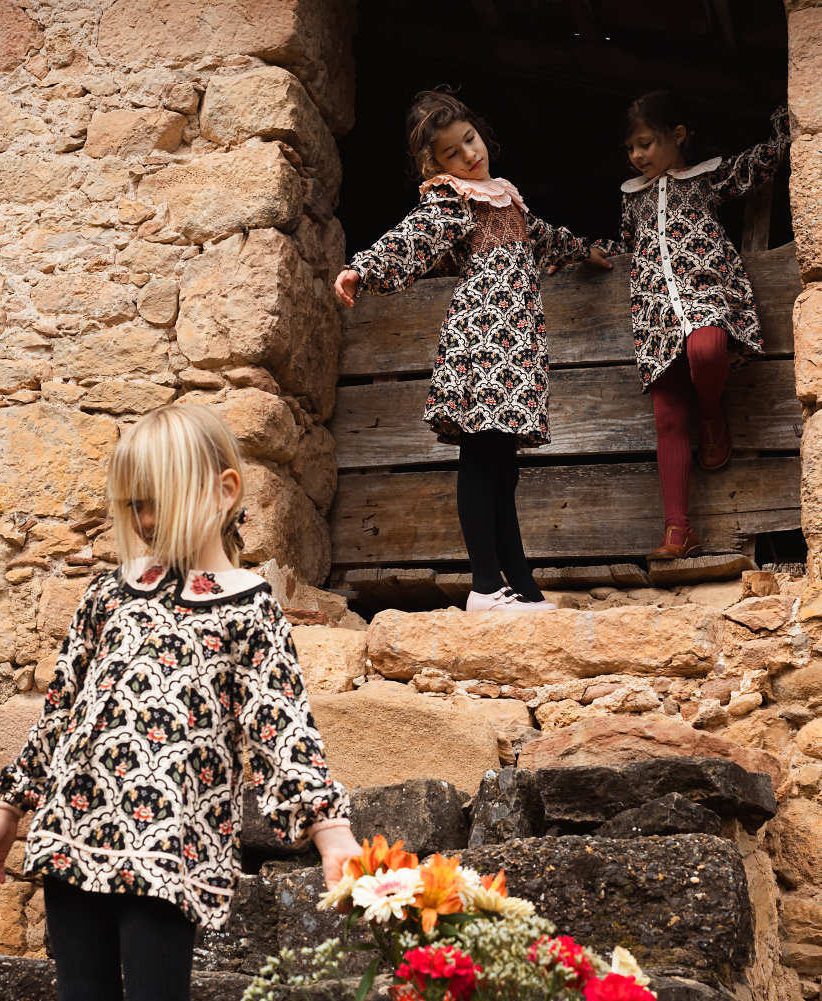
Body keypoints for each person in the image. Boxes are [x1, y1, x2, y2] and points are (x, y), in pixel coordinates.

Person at [0, 404, 361, 1001]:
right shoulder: (109, 595)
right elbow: (61, 710)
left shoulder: (250, 609)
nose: (143, 519)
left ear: (225, 492)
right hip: (77, 826)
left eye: (157, 501)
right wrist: (9, 806)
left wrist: (329, 828)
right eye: (133, 504)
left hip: (169, 844)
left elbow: (281, 726)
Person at [334, 88, 611, 613]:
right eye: (452, 152)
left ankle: (521, 587)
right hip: (482, 340)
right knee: (482, 458)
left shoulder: (505, 196)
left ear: (481, 132)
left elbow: (544, 237)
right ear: (435, 164)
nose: (469, 154)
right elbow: (414, 236)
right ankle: (484, 585)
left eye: (470, 139)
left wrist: (587, 251)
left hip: (515, 344)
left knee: (504, 468)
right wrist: (362, 269)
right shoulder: (452, 198)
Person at [593, 92, 790, 560]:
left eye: (645, 143)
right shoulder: (631, 196)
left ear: (677, 136)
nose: (637, 155)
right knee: (667, 415)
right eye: (630, 148)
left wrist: (789, 112)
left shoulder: (706, 178)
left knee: (707, 351)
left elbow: (762, 161)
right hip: (655, 311)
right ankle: (678, 530)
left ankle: (711, 412)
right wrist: (587, 253)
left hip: (704, 291)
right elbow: (625, 245)